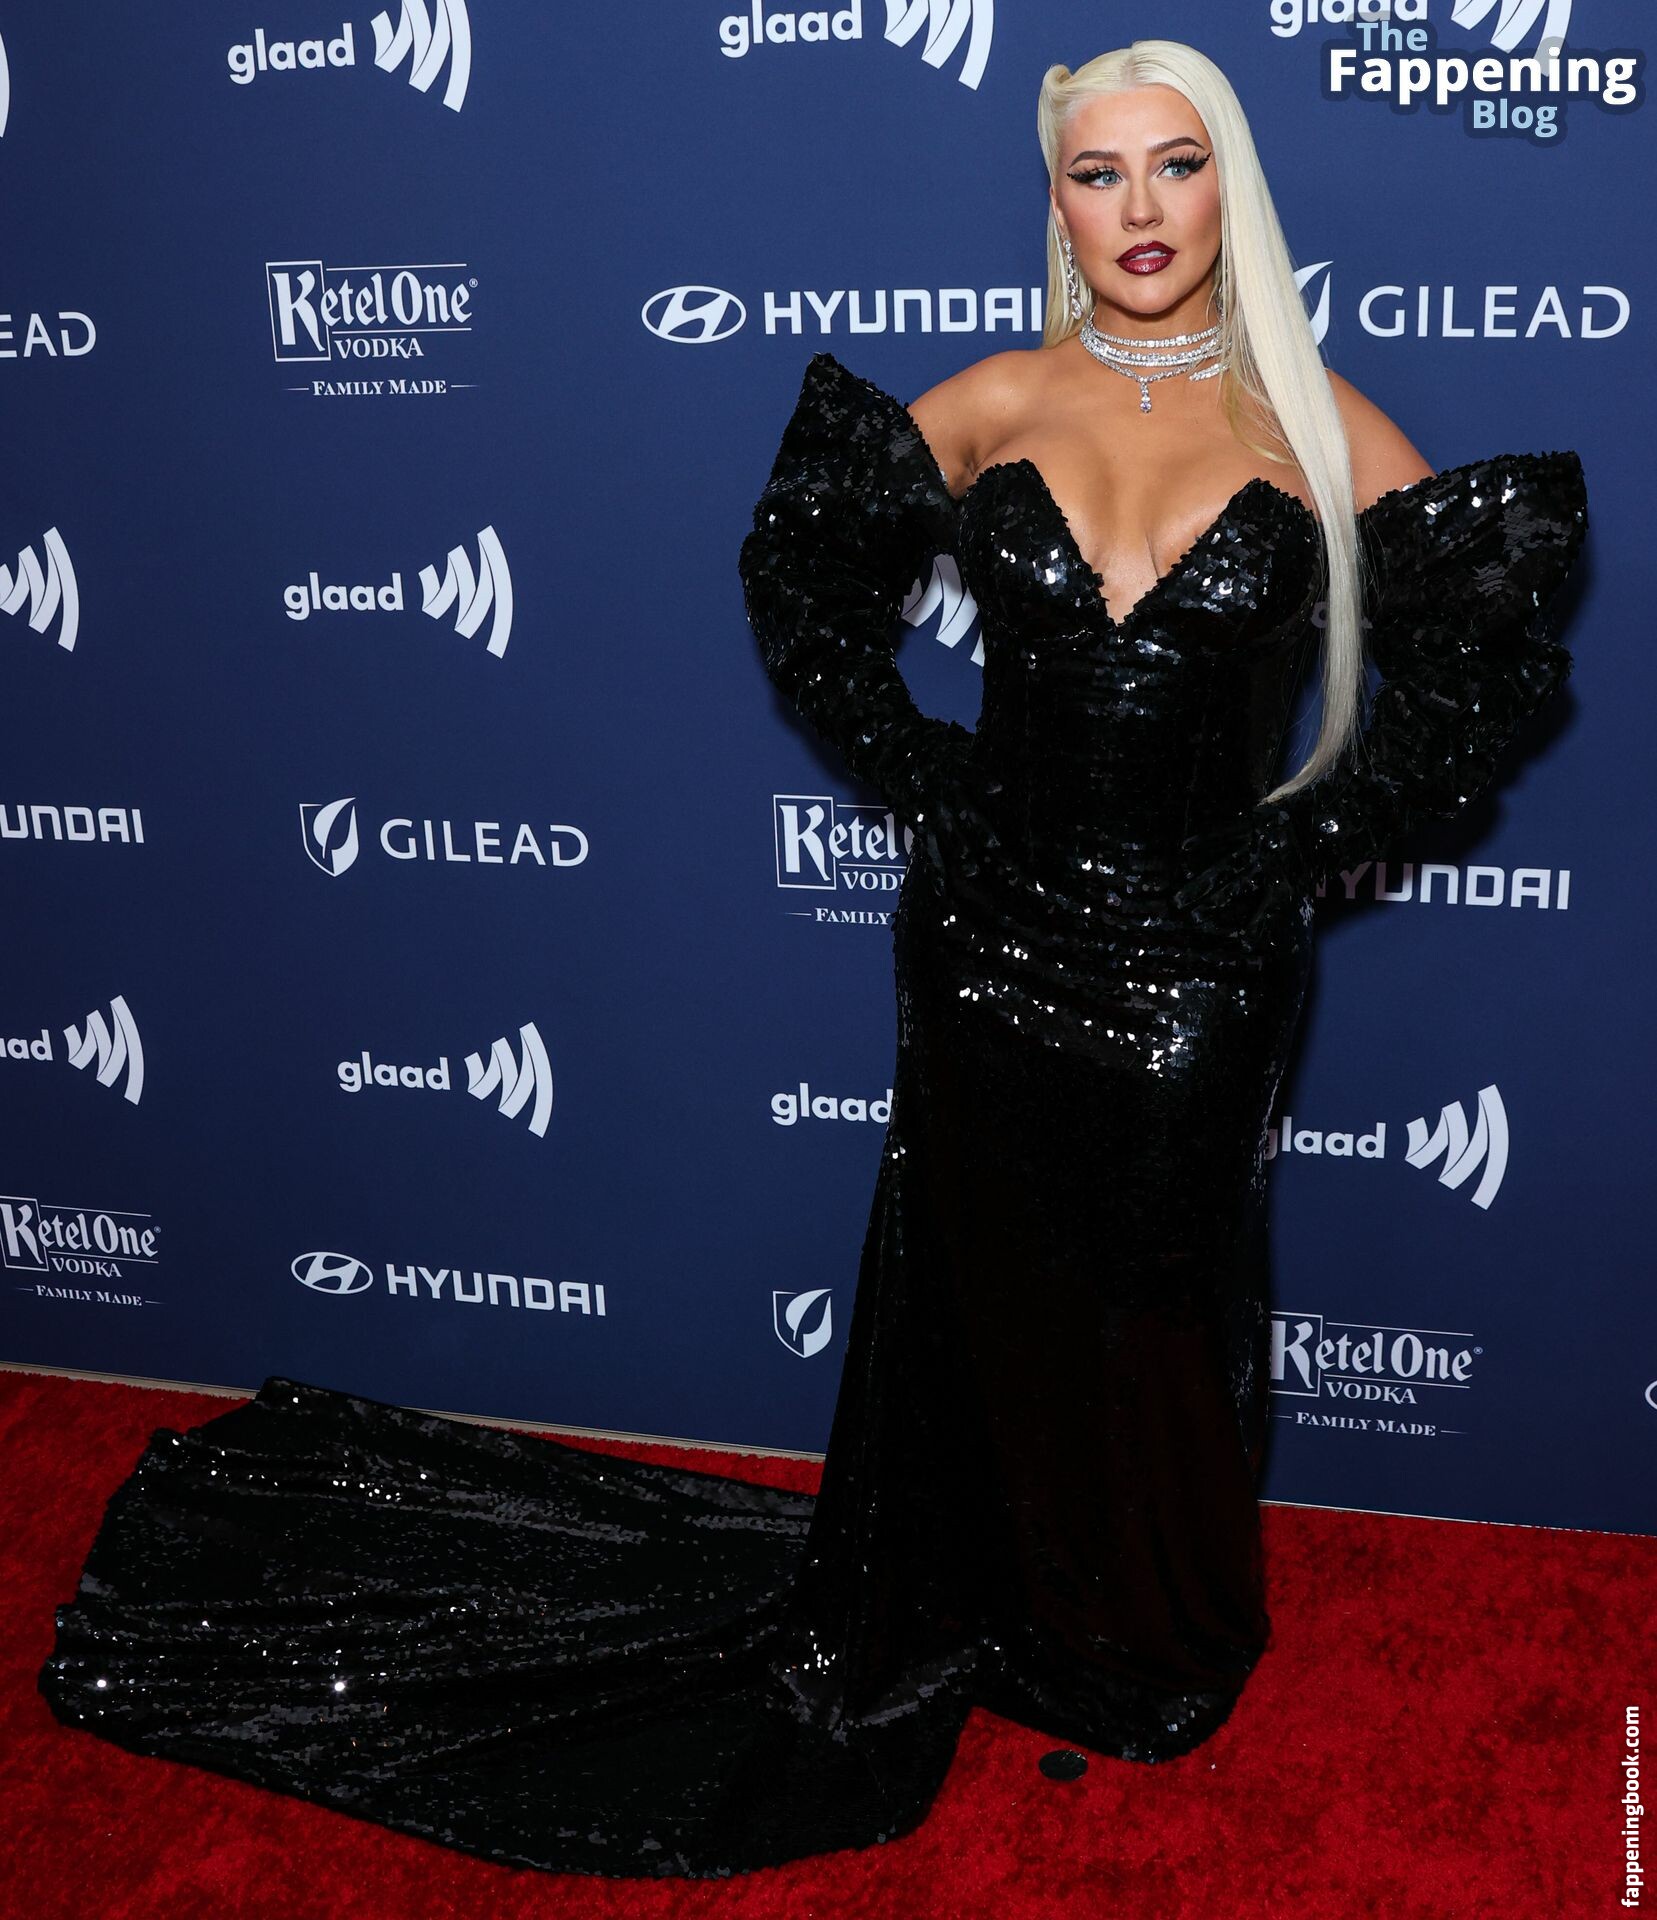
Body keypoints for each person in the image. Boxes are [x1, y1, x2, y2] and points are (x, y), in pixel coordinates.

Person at [36, 40, 1587, 1881]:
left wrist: (1292, 846)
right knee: (974, 1276)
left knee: (1158, 1297)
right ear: (1055, 198)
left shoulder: (1316, 422)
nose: (1138, 209)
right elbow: (803, 578)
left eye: (1174, 166)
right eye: (1097, 173)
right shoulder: (994, 398)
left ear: (1226, 186)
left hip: (1198, 962)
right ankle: (964, 1587)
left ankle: (1138, 1629)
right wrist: (927, 771)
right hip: (987, 932)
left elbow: (1482, 674)